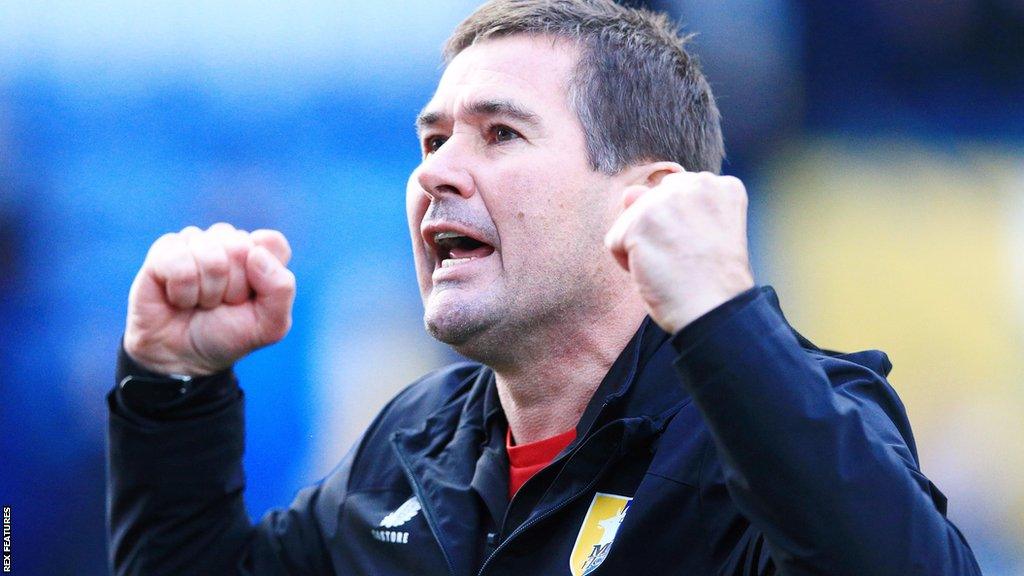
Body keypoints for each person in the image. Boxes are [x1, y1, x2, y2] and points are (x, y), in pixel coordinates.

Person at [106, 1, 982, 574]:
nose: (438, 174)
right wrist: (174, 390)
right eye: (431, 140)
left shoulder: (782, 425)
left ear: (646, 199)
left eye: (500, 135)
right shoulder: (415, 443)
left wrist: (722, 318)